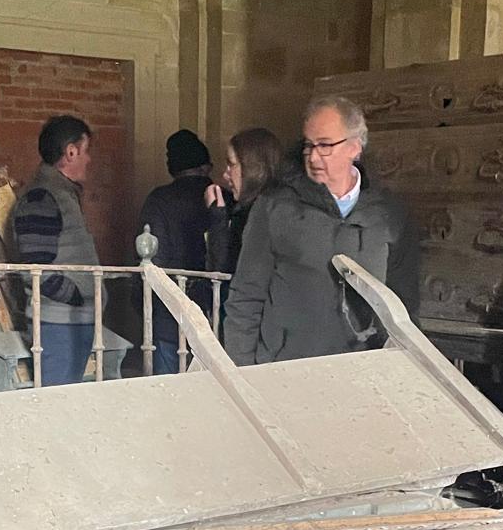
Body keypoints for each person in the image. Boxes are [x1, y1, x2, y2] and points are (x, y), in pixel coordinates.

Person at [222, 96, 419, 366]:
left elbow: (404, 305)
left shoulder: (388, 215)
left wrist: (401, 370)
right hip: (285, 373)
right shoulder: (274, 208)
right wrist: (241, 372)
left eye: (325, 145)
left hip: (362, 375)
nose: (313, 157)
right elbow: (246, 295)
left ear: (355, 147)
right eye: (309, 145)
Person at [12, 114, 102, 386]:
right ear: (71, 152)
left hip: (71, 321)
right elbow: (36, 269)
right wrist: (76, 295)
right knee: (56, 404)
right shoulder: (41, 196)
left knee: (67, 401)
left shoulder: (60, 193)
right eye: (86, 151)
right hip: (58, 324)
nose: (89, 159)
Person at [140, 129, 217, 375]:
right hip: (215, 309)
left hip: (169, 312)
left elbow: (152, 258)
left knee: (169, 393)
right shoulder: (222, 197)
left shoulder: (160, 200)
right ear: (206, 166)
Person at [205, 126, 284, 279]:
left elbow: (223, 272)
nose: (225, 174)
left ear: (253, 168)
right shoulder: (272, 207)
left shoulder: (259, 215)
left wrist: (217, 218)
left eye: (231, 164)